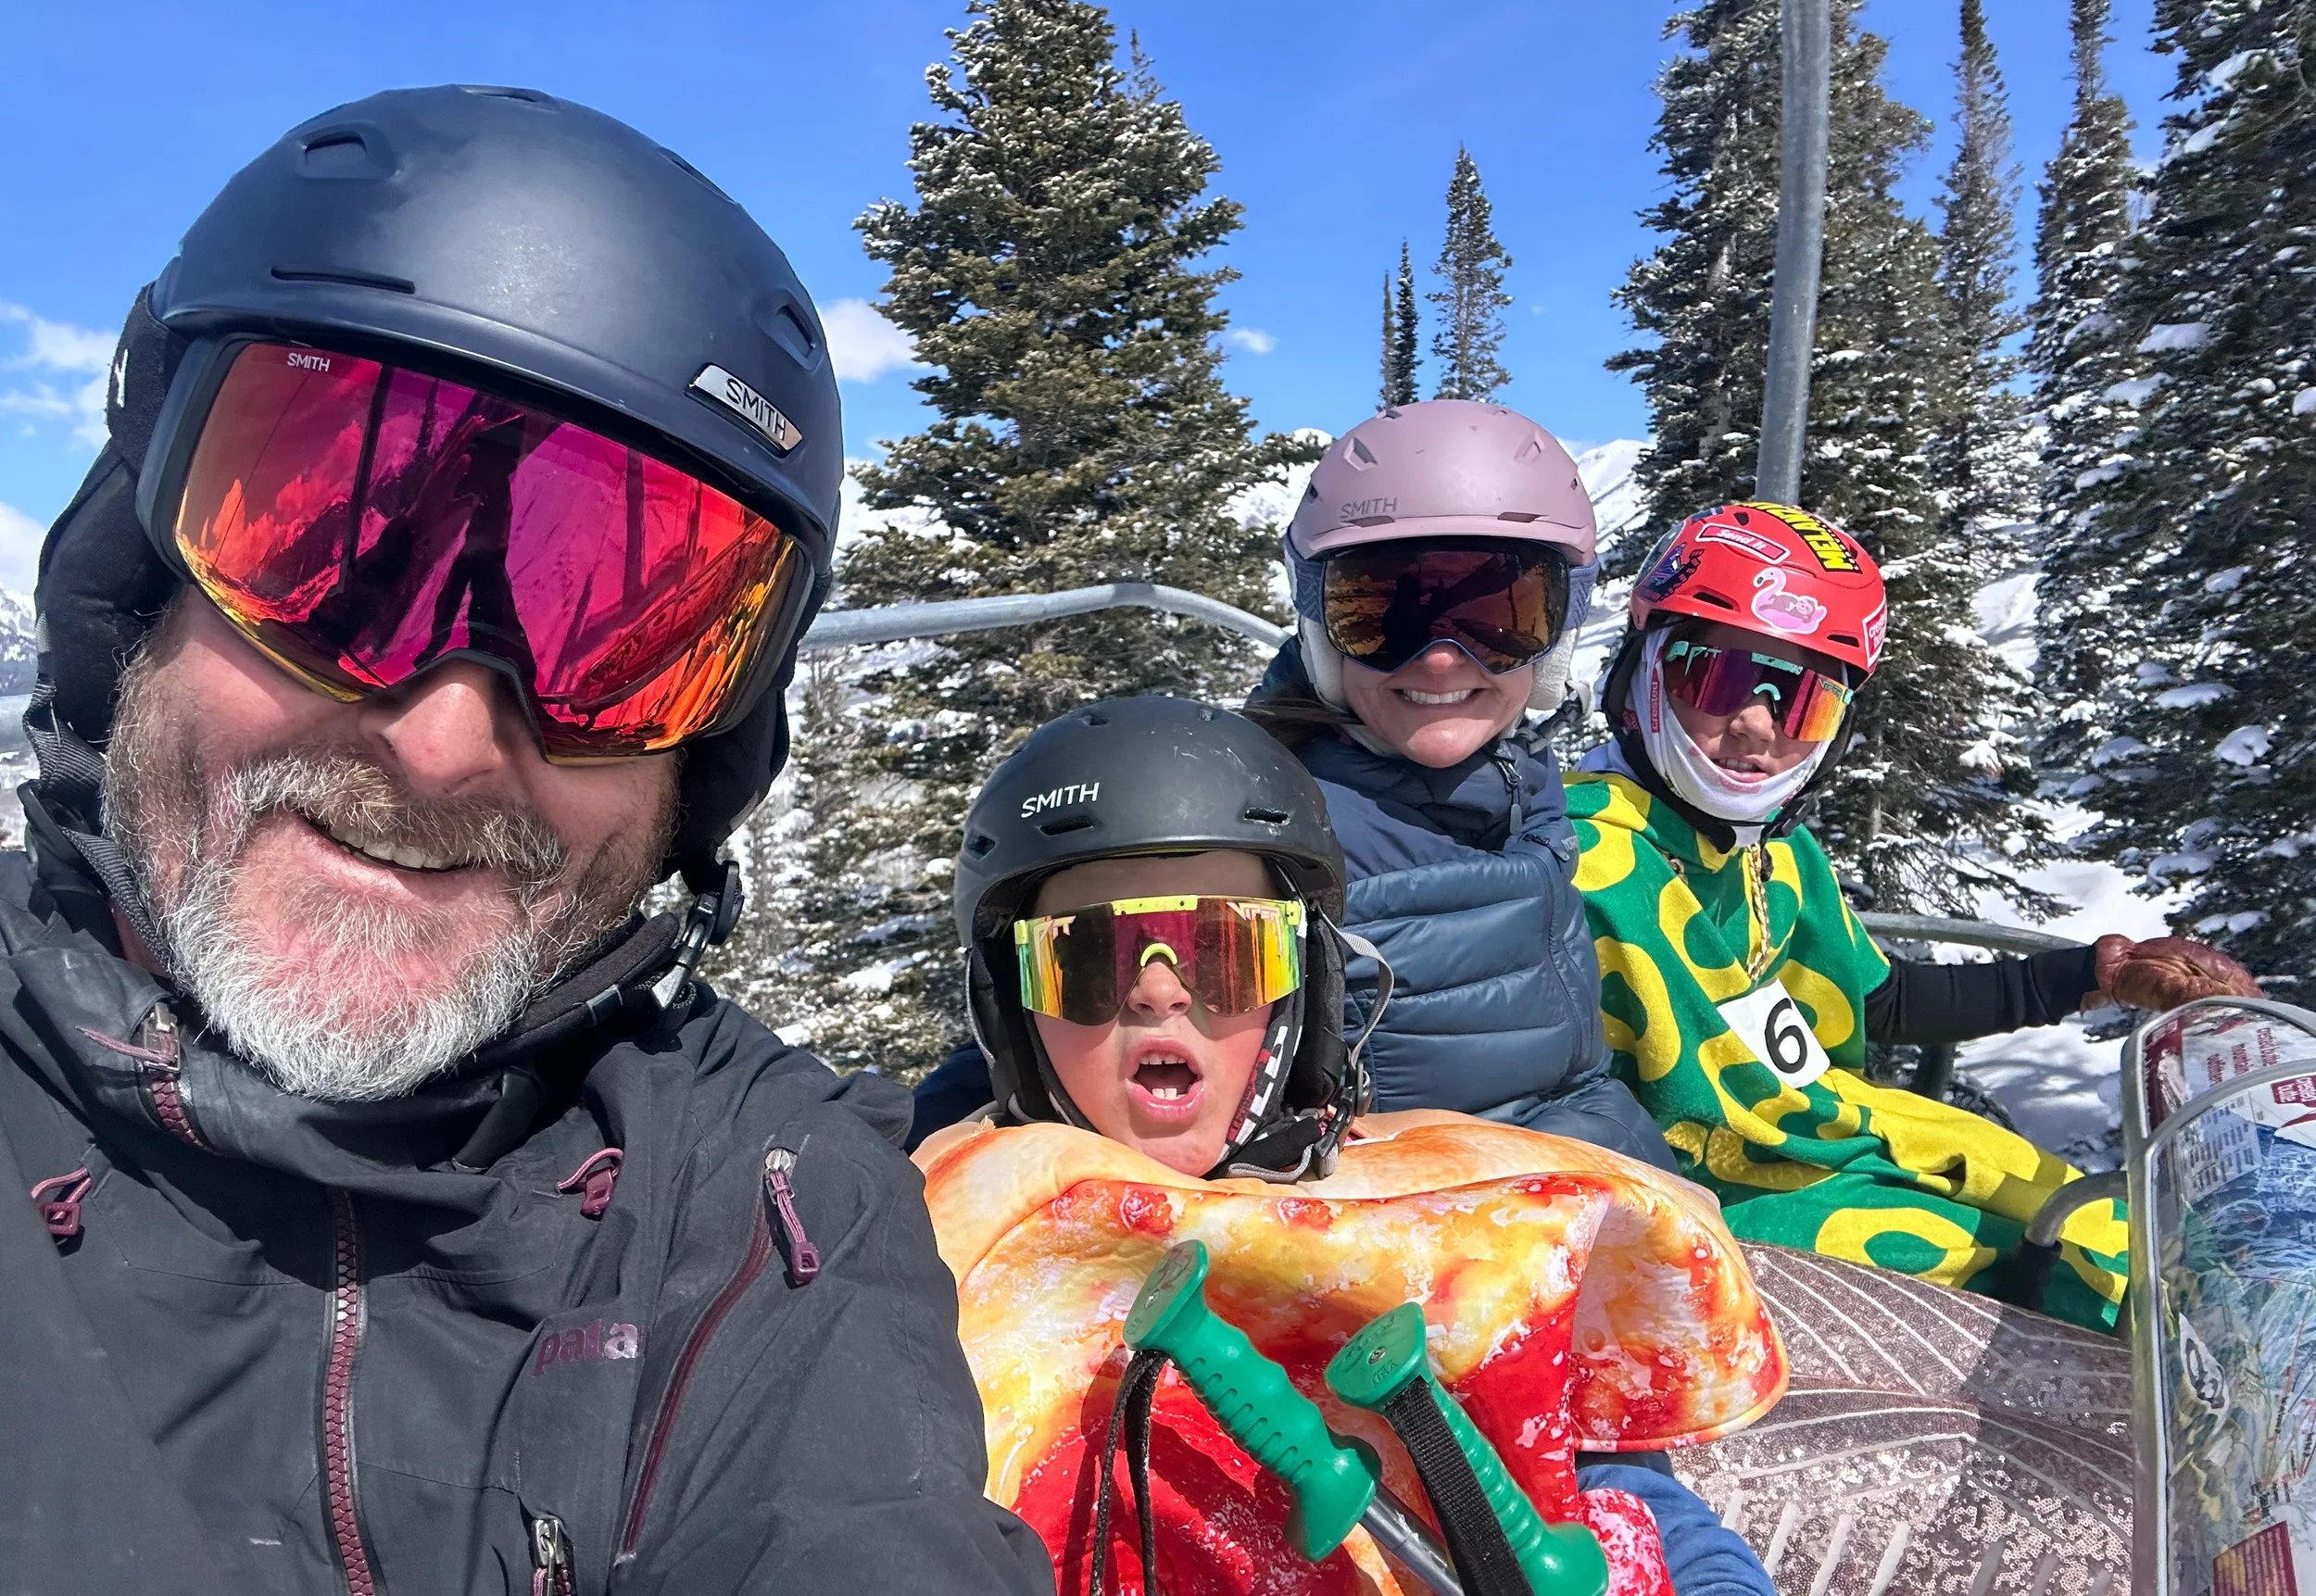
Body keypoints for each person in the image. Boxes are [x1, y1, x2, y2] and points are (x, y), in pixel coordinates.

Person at [0, 87, 1051, 1593]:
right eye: (330, 562)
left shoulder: (763, 1203)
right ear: (138, 580)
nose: (441, 743)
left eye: (616, 645)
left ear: (705, 766)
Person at [920, 696, 1781, 1596]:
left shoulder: (1425, 1216)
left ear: (1304, 985)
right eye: (1090, 960)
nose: (1159, 997)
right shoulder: (943, 1242)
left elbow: (1598, 1471)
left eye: (1222, 954)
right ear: (1010, 1003)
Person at [1569, 499, 2261, 1332]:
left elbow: (1874, 1000)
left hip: (1816, 1147)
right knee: (2074, 1292)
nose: (1754, 723)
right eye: (1714, 678)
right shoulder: (1573, 856)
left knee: (2119, 1232)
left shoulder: (1772, 851)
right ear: (1644, 668)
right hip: (1680, 1208)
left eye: (1798, 702)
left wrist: (2095, 973)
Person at [1242, 400, 1680, 1169]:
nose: (1442, 659)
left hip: (1598, 1198)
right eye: (1380, 613)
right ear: (1317, 624)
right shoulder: (1260, 828)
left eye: (1499, 615)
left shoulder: (1525, 785)